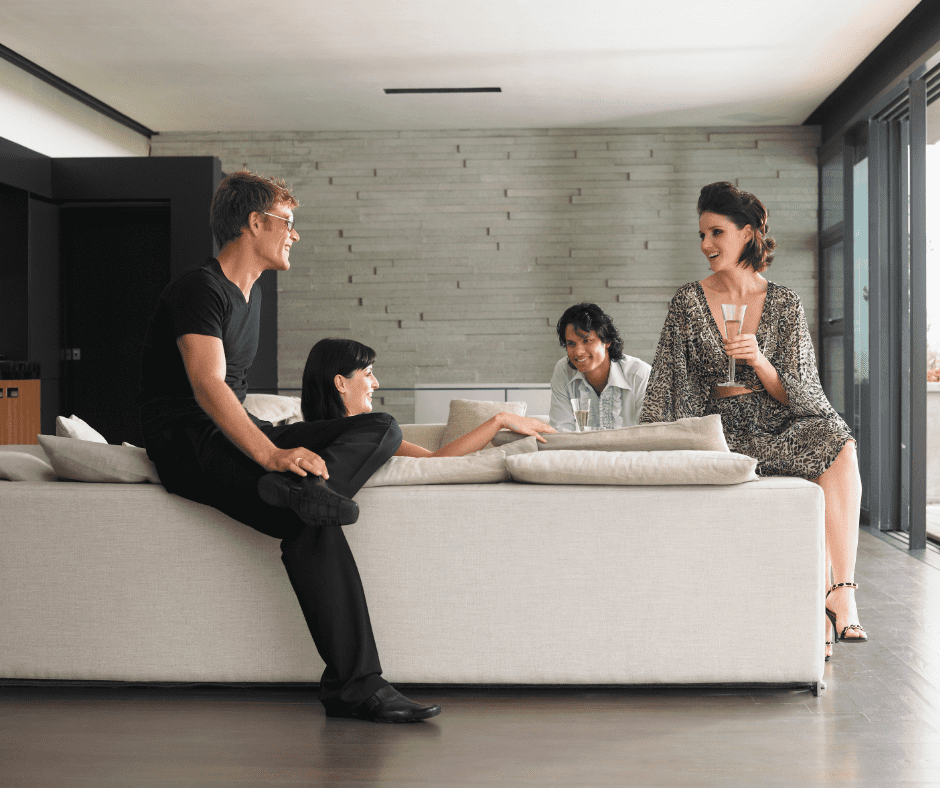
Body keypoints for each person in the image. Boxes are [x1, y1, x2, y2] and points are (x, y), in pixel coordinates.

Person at [139, 170, 441, 722]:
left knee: (380, 428)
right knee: (313, 517)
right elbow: (207, 385)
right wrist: (272, 455)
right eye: (288, 223)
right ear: (254, 223)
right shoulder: (199, 288)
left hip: (228, 434)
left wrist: (284, 457)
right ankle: (357, 687)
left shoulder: (247, 297)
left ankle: (307, 495)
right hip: (186, 441)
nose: (294, 235)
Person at [640, 181, 866, 660]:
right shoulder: (687, 302)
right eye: (701, 235)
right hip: (718, 430)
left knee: (839, 441)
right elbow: (665, 382)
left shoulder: (784, 303)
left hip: (776, 425)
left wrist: (761, 361)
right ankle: (818, 615)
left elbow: (802, 392)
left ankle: (841, 592)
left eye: (716, 232)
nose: (705, 245)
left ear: (747, 233)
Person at [301, 338, 555, 449]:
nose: (376, 384)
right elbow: (439, 460)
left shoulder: (308, 436)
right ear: (341, 383)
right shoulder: (368, 432)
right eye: (368, 373)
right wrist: (500, 419)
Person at [548, 303, 651, 432]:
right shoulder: (563, 371)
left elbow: (652, 434)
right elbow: (561, 431)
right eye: (571, 344)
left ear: (607, 341)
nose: (578, 352)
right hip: (581, 452)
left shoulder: (640, 375)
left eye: (587, 341)